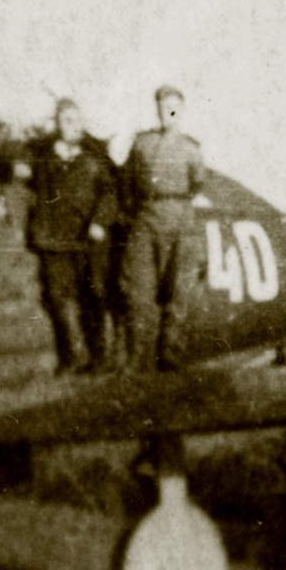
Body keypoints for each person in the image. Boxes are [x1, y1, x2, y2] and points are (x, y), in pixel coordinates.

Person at [17, 98, 119, 373]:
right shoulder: (41, 154)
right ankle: (69, 358)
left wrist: (100, 221)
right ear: (57, 124)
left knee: (93, 297)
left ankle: (98, 358)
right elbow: (12, 165)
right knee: (57, 300)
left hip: (87, 240)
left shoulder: (95, 155)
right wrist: (17, 166)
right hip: (53, 240)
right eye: (66, 121)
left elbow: (110, 193)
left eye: (77, 120)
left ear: (83, 124)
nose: (72, 126)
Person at [119, 85, 206, 372]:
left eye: (173, 107)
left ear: (180, 111)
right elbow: (129, 180)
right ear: (157, 110)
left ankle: (170, 352)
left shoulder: (191, 148)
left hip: (181, 219)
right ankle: (137, 355)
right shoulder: (142, 143)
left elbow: (196, 184)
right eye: (162, 106)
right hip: (147, 217)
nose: (167, 112)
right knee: (138, 288)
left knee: (180, 290)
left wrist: (175, 204)